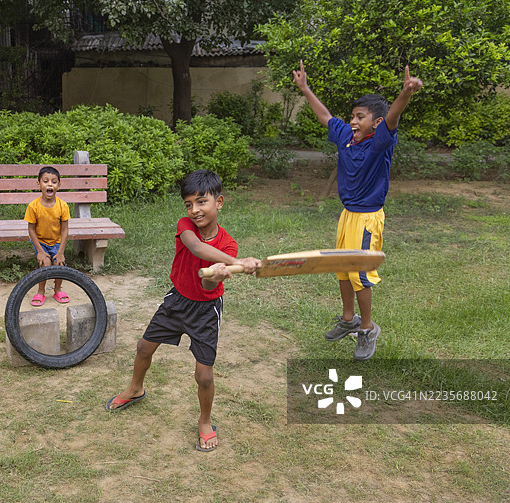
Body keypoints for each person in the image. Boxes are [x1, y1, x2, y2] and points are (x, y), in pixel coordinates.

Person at [105, 170, 262, 452]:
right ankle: (136, 388)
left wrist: (219, 272)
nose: (195, 210)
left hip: (206, 311)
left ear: (219, 202)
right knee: (143, 347)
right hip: (177, 301)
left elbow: (207, 283)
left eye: (201, 202)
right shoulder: (186, 226)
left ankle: (205, 421)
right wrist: (236, 262)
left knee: (204, 376)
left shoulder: (227, 244)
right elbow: (196, 247)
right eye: (189, 204)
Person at [292, 60, 423, 361]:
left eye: (360, 117)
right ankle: (348, 319)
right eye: (352, 116)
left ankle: (367, 328)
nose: (353, 121)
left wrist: (406, 93)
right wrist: (305, 88)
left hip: (367, 218)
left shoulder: (380, 142)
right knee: (341, 268)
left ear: (376, 123)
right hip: (347, 215)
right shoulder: (346, 138)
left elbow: (393, 116)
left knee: (360, 275)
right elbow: (326, 116)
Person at [24, 166, 71, 306]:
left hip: (56, 241)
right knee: (45, 263)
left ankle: (57, 289)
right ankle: (41, 291)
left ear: (59, 186)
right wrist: (40, 251)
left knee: (58, 263)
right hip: (40, 241)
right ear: (38, 184)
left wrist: (61, 252)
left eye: (54, 182)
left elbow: (65, 230)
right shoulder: (33, 206)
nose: (50, 184)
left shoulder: (63, 206)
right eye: (45, 181)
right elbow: (31, 230)